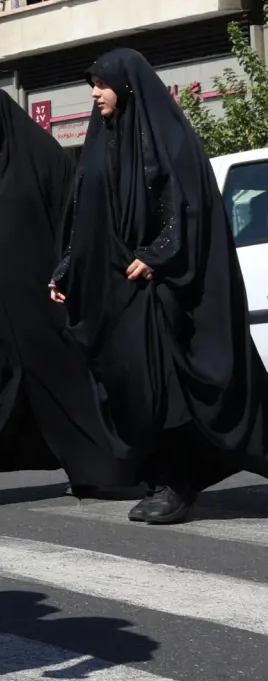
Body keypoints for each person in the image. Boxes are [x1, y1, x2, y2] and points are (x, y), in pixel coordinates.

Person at [52, 48, 268, 524]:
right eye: (92, 85)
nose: (95, 94)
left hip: (163, 289)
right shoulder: (99, 143)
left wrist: (157, 254)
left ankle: (175, 484)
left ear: (127, 85)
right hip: (115, 292)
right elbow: (81, 214)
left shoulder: (168, 139)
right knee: (128, 386)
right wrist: (66, 268)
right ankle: (160, 477)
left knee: (166, 389)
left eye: (102, 85)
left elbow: (188, 206)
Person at [0, 88, 131, 508]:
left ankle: (93, 472)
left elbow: (75, 224)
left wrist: (67, 275)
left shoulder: (44, 160)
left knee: (62, 385)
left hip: (38, 302)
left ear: (0, 119)